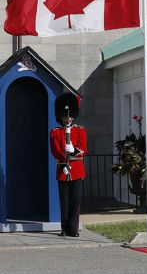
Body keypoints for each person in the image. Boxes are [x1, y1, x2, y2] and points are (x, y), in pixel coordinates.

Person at [50, 93, 87, 237]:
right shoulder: (55, 132)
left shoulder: (80, 130)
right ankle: (65, 228)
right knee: (64, 202)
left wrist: (74, 151)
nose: (67, 119)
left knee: (75, 201)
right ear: (60, 116)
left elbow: (83, 149)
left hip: (77, 169)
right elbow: (55, 150)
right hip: (62, 169)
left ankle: (74, 228)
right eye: (65, 116)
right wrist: (63, 163)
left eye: (70, 116)